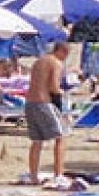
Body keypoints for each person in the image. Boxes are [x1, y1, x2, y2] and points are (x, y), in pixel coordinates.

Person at [24, 42, 69, 185]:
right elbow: (54, 87)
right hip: (44, 102)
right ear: (61, 51)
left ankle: (33, 175)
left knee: (37, 141)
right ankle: (59, 174)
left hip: (30, 103)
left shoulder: (38, 61)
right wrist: (64, 92)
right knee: (60, 137)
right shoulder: (56, 63)